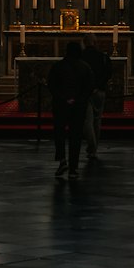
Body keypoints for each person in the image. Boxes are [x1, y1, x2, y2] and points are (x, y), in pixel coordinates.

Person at [47, 41, 93, 178]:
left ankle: (62, 160)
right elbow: (89, 86)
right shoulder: (85, 67)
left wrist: (64, 98)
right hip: (78, 106)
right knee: (76, 135)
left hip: (61, 104)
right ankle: (73, 167)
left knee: (59, 133)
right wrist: (77, 100)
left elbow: (52, 85)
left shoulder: (58, 66)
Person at [81, 33, 113, 162]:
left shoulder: (81, 57)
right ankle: (93, 149)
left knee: (87, 121)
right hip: (99, 91)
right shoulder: (103, 57)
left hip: (85, 92)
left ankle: (92, 146)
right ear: (95, 42)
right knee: (97, 120)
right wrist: (98, 86)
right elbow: (108, 73)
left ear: (84, 43)